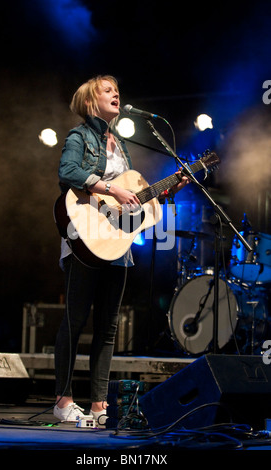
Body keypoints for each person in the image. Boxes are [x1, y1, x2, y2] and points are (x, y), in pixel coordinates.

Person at [53, 75, 189, 424]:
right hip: (85, 235)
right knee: (75, 320)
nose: (116, 94)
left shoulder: (121, 144)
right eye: (108, 91)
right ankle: (64, 401)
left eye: (117, 90)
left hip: (118, 242)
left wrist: (165, 191)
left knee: (108, 326)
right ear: (89, 102)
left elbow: (131, 198)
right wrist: (112, 192)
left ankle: (99, 405)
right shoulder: (80, 136)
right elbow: (68, 171)